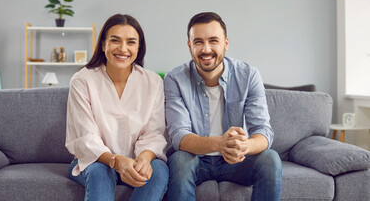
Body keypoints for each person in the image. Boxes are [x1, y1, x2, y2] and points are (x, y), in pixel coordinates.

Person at [165, 12, 282, 201]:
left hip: (237, 161)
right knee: (179, 160)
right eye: (198, 42)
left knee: (270, 159)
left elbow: (263, 131)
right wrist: (220, 143)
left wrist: (244, 146)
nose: (206, 49)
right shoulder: (175, 79)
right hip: (196, 159)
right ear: (189, 46)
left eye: (213, 41)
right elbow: (179, 136)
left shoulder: (248, 75)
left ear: (225, 43)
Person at [66, 14, 169, 201]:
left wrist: (144, 159)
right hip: (97, 161)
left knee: (159, 170)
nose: (123, 49)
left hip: (137, 161)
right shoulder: (82, 80)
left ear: (139, 47)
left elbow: (154, 133)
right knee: (99, 172)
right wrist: (116, 161)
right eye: (115, 41)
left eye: (131, 42)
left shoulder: (153, 82)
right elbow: (86, 137)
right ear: (103, 44)